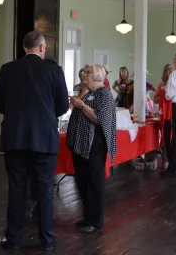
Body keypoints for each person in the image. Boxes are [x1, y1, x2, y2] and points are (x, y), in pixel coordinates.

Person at [0, 31, 68, 251]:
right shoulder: (54, 70)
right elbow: (63, 106)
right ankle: (47, 239)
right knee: (44, 189)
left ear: (24, 47)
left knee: (16, 188)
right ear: (42, 47)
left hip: (15, 137)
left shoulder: (7, 69)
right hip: (44, 138)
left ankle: (13, 238)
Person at [67, 64, 117, 234]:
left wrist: (81, 105)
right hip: (80, 145)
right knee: (82, 181)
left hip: (94, 145)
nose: (84, 75)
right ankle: (88, 217)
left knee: (94, 183)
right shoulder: (88, 93)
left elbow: (99, 118)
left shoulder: (104, 94)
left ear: (96, 76)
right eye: (84, 72)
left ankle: (95, 221)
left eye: (87, 73)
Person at [153, 63, 174, 170]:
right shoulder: (161, 84)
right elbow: (155, 99)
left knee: (174, 138)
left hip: (174, 114)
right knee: (165, 138)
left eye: (171, 69)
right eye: (167, 69)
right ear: (164, 71)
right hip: (164, 115)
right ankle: (165, 160)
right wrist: (163, 97)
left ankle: (174, 161)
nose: (170, 71)